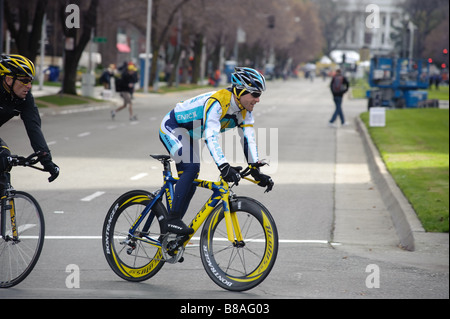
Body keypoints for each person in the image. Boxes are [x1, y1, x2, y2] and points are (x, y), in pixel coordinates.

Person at [159, 67, 274, 235]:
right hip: (173, 126)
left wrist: (256, 170)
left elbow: (248, 139)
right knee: (191, 168)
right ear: (240, 90)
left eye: (260, 95)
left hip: (190, 133)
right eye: (255, 94)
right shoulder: (217, 102)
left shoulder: (245, 111)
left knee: (190, 182)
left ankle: (170, 235)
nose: (258, 100)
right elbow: (210, 137)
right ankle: (172, 220)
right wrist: (224, 166)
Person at [0, 54, 60, 184]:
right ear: (9, 80)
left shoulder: (25, 98)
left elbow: (34, 128)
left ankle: (5, 199)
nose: (29, 86)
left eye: (31, 81)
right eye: (25, 80)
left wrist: (47, 161)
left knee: (4, 160)